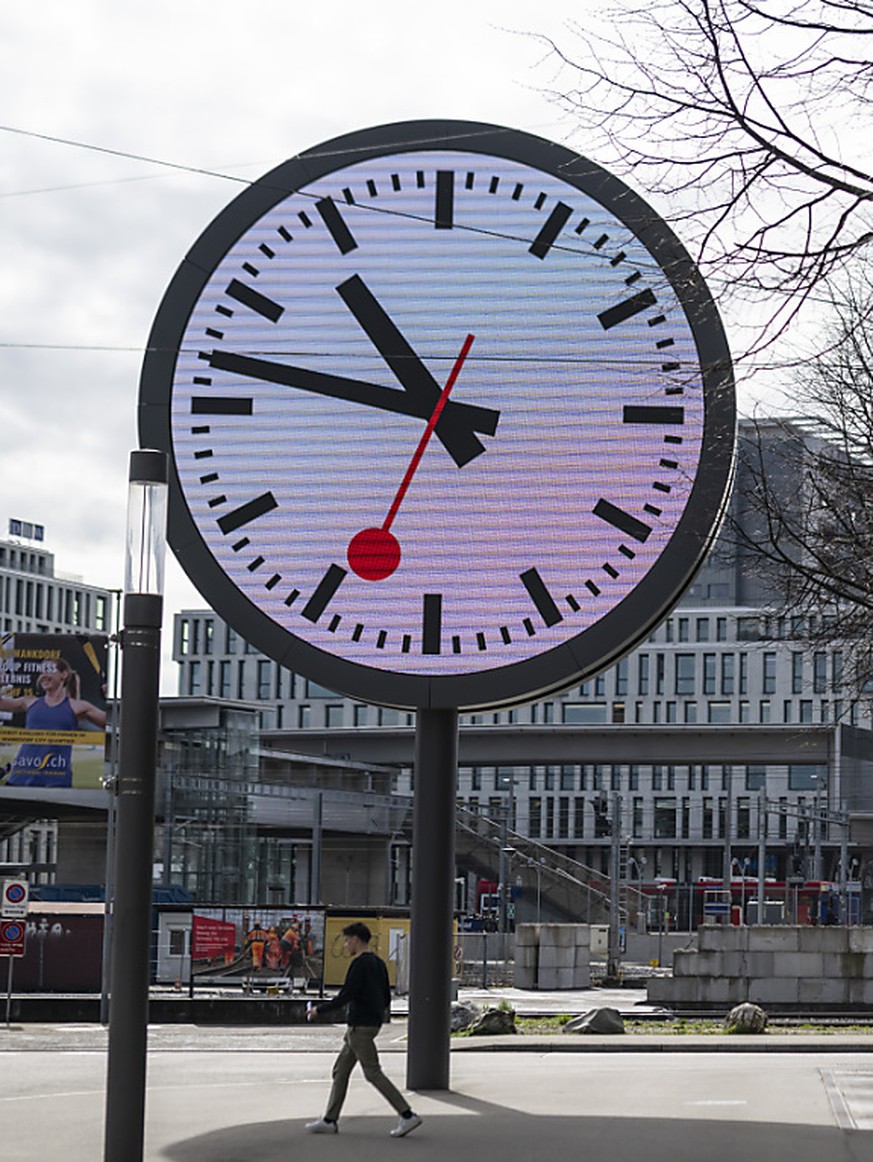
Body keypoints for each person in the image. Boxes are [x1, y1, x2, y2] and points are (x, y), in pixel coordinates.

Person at [305, 922, 422, 1138]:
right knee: (340, 1071)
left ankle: (407, 1115)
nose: (346, 945)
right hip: (368, 1024)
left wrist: (318, 1010)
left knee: (372, 1072)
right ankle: (329, 1120)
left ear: (356, 939)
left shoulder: (359, 964)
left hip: (360, 1026)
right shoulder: (378, 963)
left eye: (348, 940)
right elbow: (387, 996)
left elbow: (346, 995)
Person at [0, 658, 106, 787]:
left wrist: (111, 696)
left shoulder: (78, 707)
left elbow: (113, 722)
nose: (44, 676)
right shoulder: (29, 702)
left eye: (49, 670)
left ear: (64, 675)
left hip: (56, 783)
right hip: (20, 779)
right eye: (42, 672)